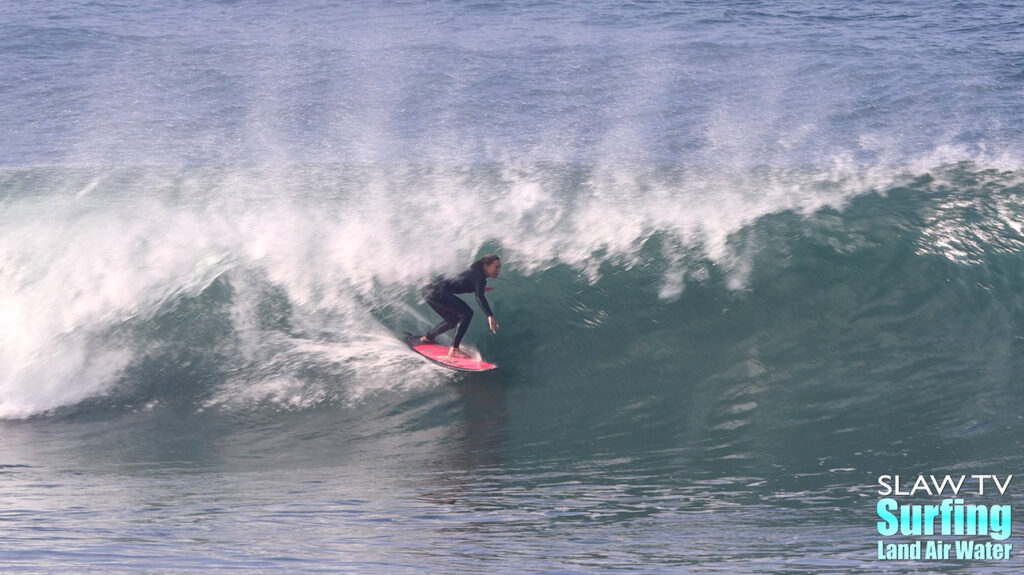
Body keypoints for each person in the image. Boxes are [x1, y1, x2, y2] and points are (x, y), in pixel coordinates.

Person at [420, 254, 501, 359]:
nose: (498, 270)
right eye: (496, 267)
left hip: (429, 291)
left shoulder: (475, 272)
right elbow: (479, 297)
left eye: (499, 267)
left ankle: (428, 338)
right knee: (467, 313)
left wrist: (480, 288)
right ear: (486, 266)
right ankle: (454, 350)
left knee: (452, 320)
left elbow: (463, 281)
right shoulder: (479, 276)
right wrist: (490, 315)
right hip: (436, 291)